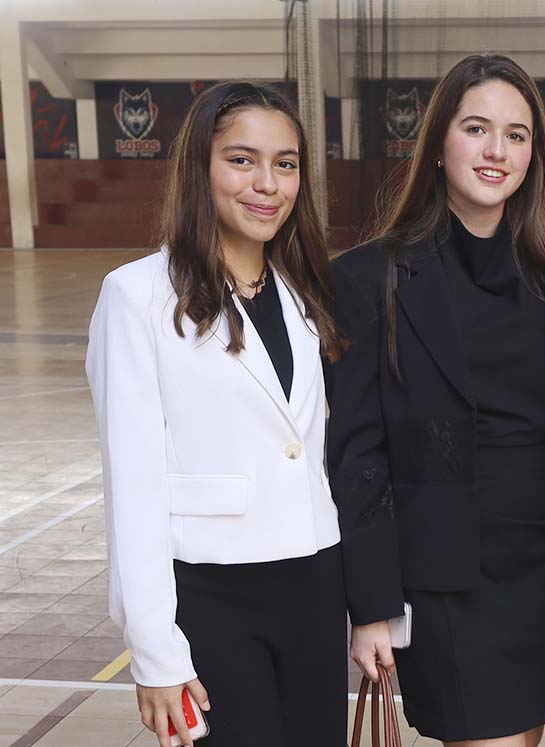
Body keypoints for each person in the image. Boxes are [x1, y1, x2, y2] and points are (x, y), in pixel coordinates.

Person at [85, 81, 348, 747]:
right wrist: (155, 651)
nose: (267, 183)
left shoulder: (305, 293)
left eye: (285, 164)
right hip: (211, 593)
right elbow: (133, 486)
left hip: (315, 581)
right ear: (199, 167)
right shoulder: (137, 296)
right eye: (242, 159)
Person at [325, 54, 545, 747]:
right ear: (438, 142)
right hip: (447, 583)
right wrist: (372, 607)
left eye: (517, 134)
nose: (497, 150)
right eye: (477, 128)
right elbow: (358, 454)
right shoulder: (367, 278)